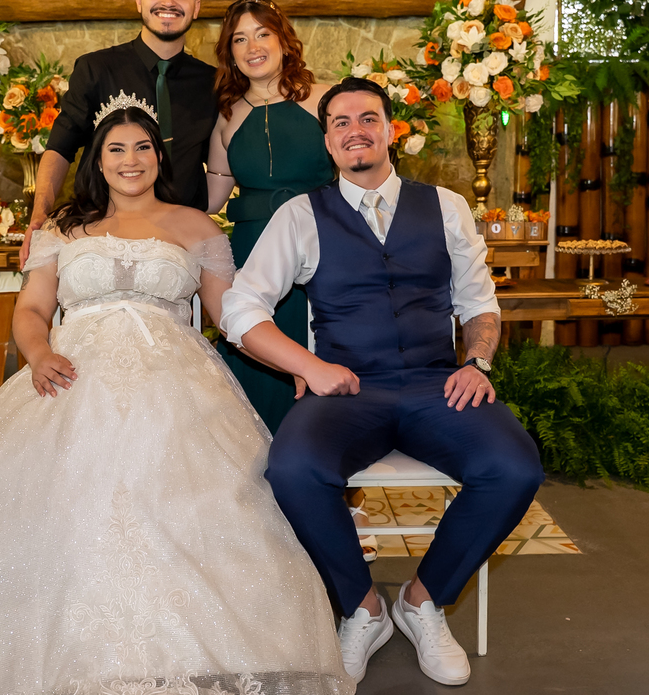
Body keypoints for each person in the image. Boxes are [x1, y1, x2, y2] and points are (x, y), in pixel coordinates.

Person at [0, 100, 352, 695]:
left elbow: (232, 317)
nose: (130, 160)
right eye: (116, 149)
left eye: (142, 147)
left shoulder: (197, 227)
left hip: (177, 388)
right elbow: (31, 309)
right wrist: (38, 353)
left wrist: (293, 361)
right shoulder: (62, 230)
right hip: (71, 376)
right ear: (97, 161)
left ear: (159, 157)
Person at [219, 78, 545, 687]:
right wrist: (308, 367)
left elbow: (479, 303)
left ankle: (423, 600)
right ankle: (363, 609)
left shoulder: (446, 206)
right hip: (347, 389)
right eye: (340, 123)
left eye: (368, 117)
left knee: (515, 467)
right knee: (292, 469)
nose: (355, 131)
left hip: (435, 384)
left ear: (391, 129)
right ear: (327, 142)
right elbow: (240, 308)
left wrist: (476, 363)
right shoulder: (301, 215)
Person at [19, 0, 217, 267]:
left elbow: (225, 161)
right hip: (100, 244)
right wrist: (39, 216)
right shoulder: (96, 69)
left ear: (196, 7)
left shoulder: (213, 83)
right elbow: (60, 147)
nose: (168, 1)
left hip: (180, 253)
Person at [205, 0, 334, 435]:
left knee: (319, 345)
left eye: (262, 34)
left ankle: (321, 455)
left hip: (321, 245)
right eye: (240, 39)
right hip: (252, 250)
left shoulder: (323, 99)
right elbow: (211, 200)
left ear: (283, 41)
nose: (253, 46)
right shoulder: (227, 116)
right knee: (255, 350)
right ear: (230, 52)